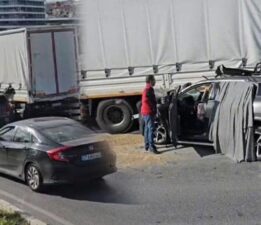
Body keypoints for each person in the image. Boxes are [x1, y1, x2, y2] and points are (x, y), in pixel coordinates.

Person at [141, 75, 159, 154]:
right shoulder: (149, 89)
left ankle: (147, 145)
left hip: (145, 112)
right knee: (151, 129)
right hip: (148, 112)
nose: (155, 81)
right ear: (150, 81)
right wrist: (153, 108)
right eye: (154, 80)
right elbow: (146, 100)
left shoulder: (147, 88)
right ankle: (152, 147)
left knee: (147, 129)